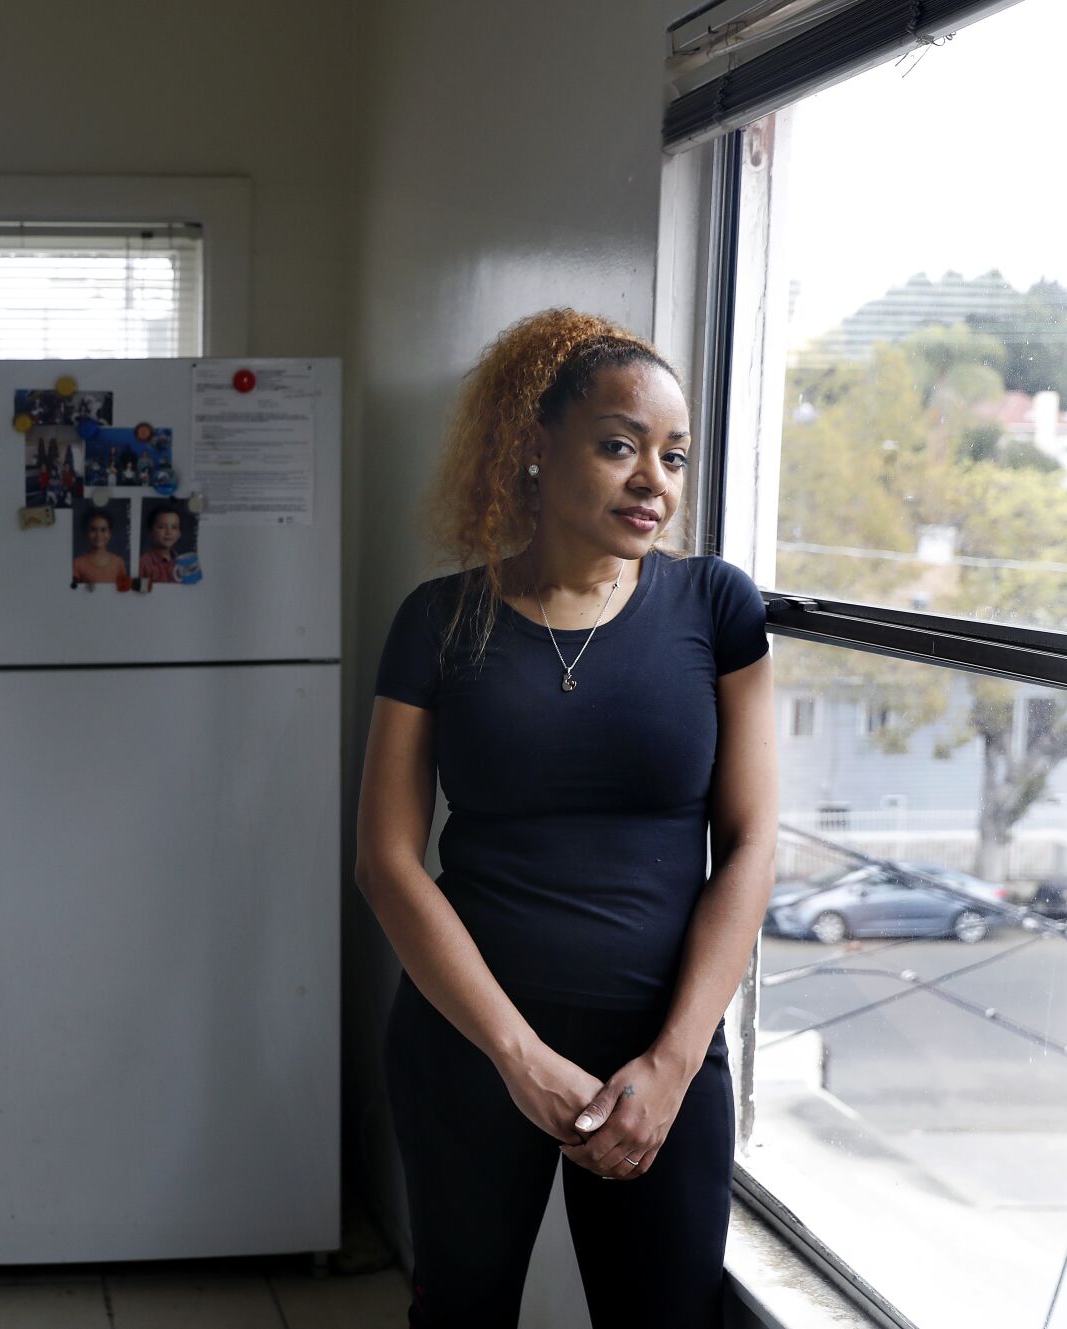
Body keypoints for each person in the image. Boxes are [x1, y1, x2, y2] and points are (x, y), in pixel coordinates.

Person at [354, 308, 776, 1329]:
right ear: (535, 452)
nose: (653, 481)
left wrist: (672, 1064)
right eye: (618, 445)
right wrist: (516, 1057)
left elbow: (752, 846)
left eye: (672, 456)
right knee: (460, 1314)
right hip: (468, 1051)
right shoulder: (439, 619)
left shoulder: (715, 608)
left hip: (660, 1061)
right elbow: (385, 860)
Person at [72, 508, 128, 584]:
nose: (99, 535)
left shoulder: (118, 563)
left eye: (103, 530)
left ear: (110, 533)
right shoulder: (77, 564)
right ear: (86, 532)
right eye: (93, 529)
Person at [138, 502, 185, 583]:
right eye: (161, 527)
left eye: (174, 527)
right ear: (151, 531)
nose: (169, 532)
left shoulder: (182, 562)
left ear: (179, 533)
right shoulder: (144, 563)